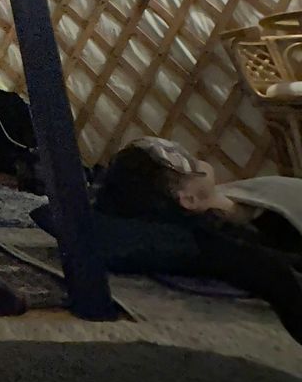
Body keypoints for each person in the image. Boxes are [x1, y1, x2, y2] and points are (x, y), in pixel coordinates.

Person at [95, 136, 302, 343]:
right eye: (186, 162)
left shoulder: (220, 207)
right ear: (189, 199)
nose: (190, 155)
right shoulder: (203, 238)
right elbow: (270, 271)